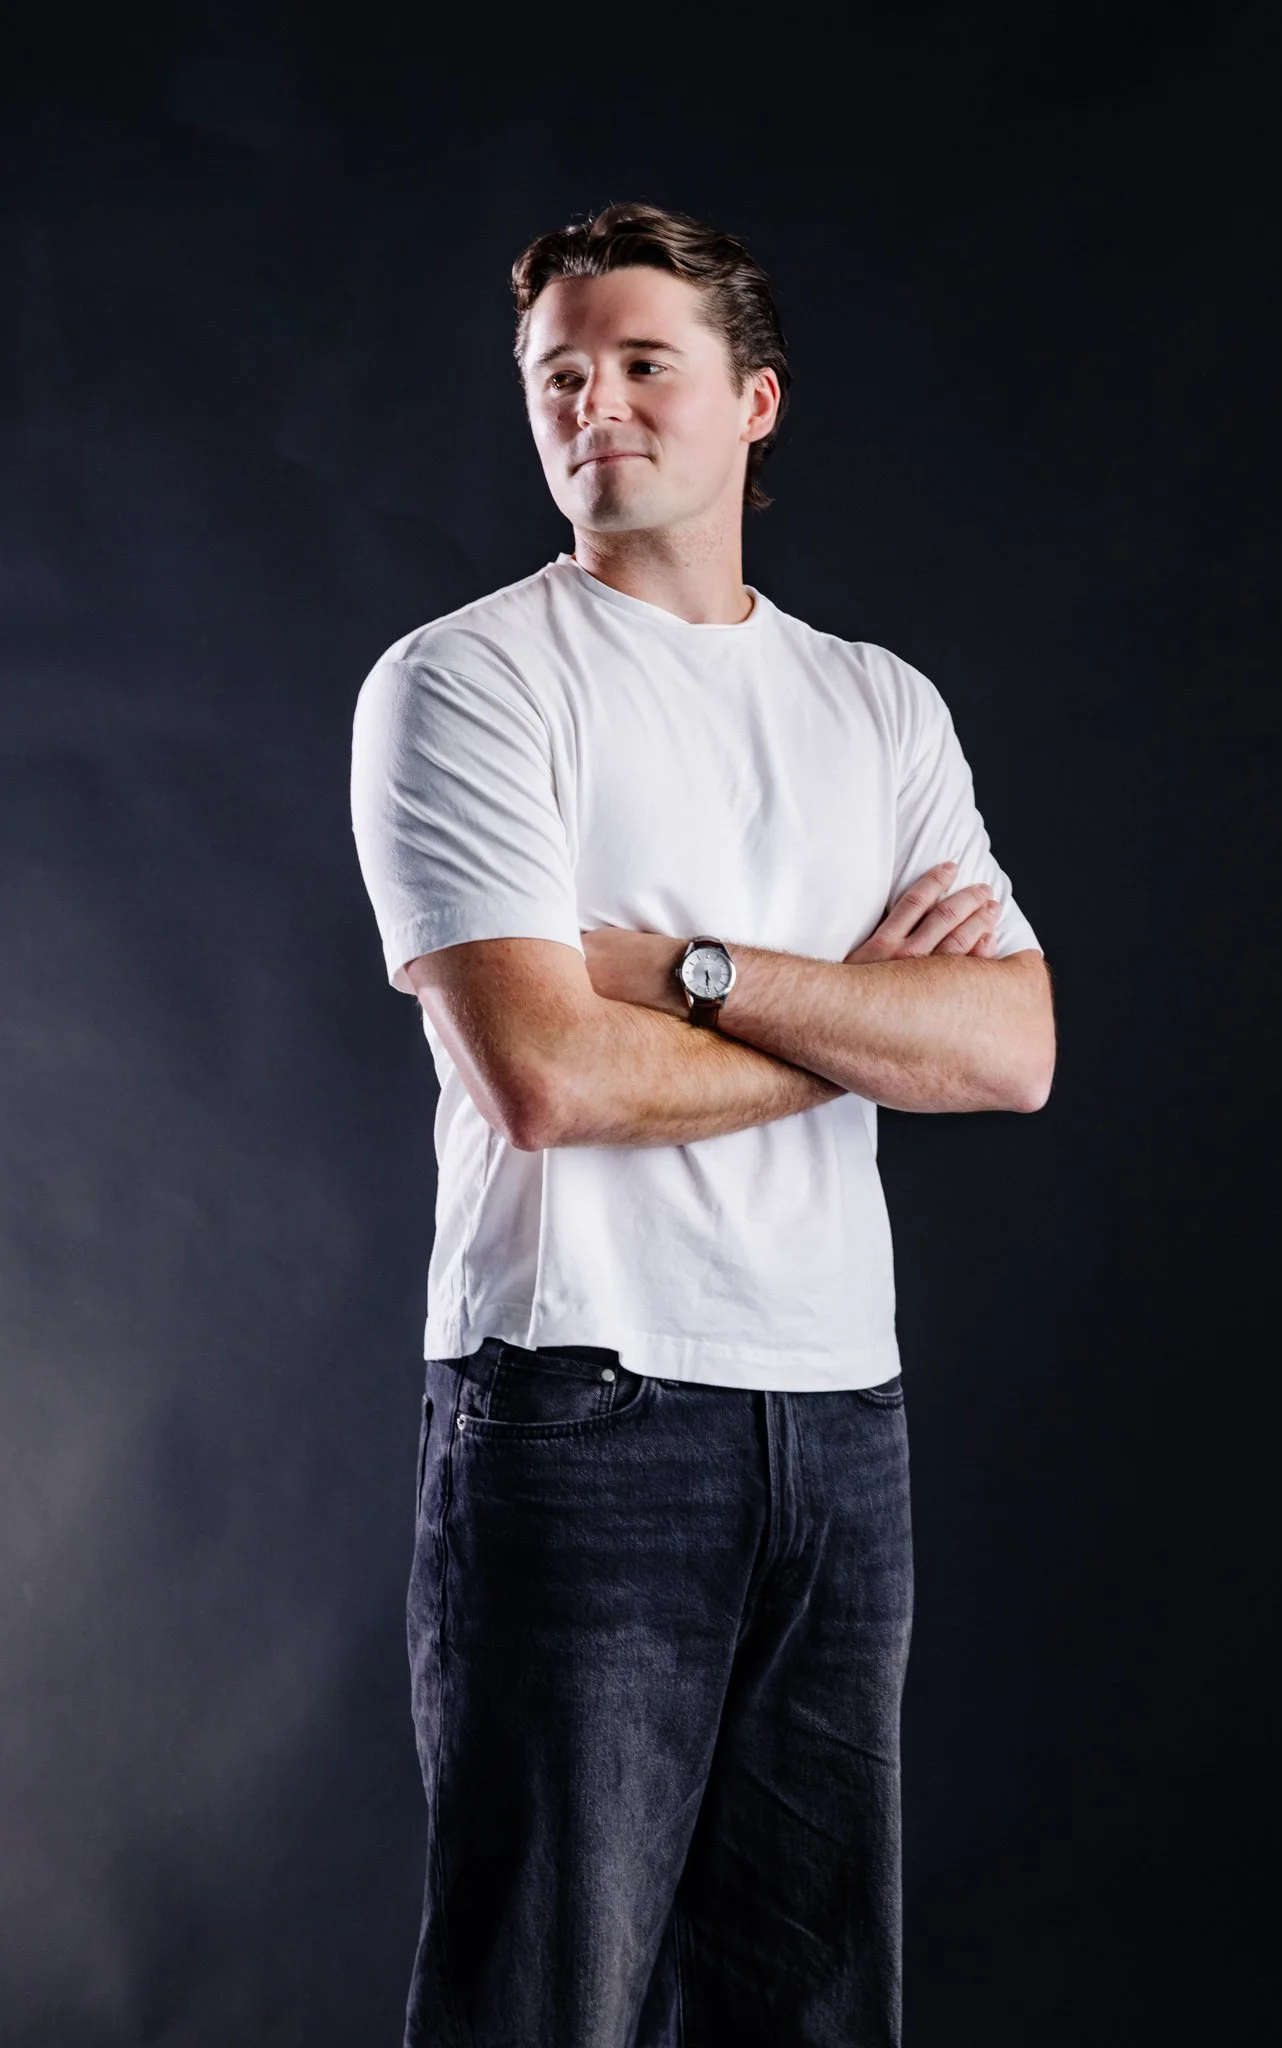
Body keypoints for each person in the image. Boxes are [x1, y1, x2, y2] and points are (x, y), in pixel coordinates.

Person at [350, 199, 1054, 2048]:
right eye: (557, 374)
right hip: (581, 1404)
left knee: (812, 1997)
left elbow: (1013, 1049)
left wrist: (691, 970)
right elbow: (549, 1077)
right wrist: (862, 1025)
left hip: (841, 1413)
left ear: (754, 402)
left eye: (644, 364)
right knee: (546, 1996)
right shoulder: (468, 680)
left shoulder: (877, 704)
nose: (597, 406)